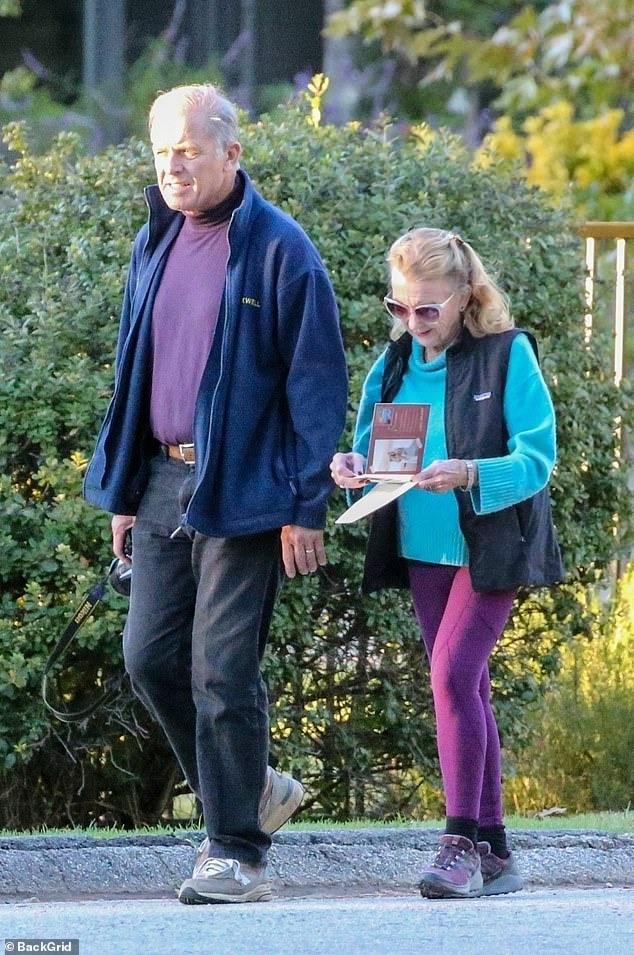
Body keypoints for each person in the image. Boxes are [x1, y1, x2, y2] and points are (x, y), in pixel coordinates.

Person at [84, 83, 348, 904]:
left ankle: (236, 850)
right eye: (162, 152)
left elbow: (315, 383)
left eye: (188, 151)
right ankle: (253, 787)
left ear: (231, 153)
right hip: (162, 477)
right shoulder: (154, 240)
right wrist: (126, 486)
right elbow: (134, 372)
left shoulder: (280, 248)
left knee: (223, 669)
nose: (172, 166)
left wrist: (305, 503)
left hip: (247, 483)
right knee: (149, 656)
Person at [331, 227, 562, 900]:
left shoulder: (507, 355)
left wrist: (470, 472)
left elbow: (538, 459)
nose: (413, 321)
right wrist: (350, 467)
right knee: (467, 688)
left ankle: (458, 843)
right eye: (399, 306)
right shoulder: (392, 364)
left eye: (428, 308)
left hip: (491, 548)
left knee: (452, 675)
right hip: (421, 548)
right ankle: (496, 851)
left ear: (466, 296)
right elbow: (372, 455)